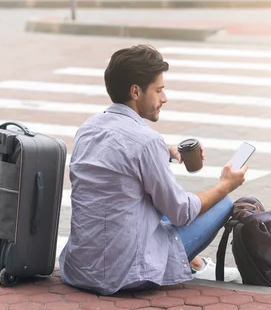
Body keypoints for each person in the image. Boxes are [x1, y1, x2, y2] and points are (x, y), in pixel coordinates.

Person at [58, 44, 248, 296]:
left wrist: (167, 151)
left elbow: (121, 164)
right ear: (136, 92)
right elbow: (181, 212)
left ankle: (196, 264)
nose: (164, 98)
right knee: (221, 202)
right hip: (124, 273)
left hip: (81, 268)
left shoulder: (88, 128)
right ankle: (191, 264)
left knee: (155, 204)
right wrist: (226, 184)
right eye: (158, 90)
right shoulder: (147, 142)